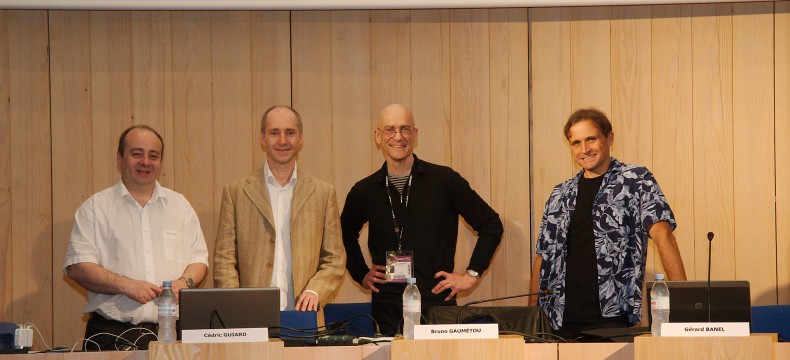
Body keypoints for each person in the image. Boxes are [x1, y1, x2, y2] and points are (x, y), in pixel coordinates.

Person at [341, 104, 504, 336]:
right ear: (378, 136)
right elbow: (342, 236)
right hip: (387, 308)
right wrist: (360, 273)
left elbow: (491, 225)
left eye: (405, 129)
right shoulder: (364, 190)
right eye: (390, 130)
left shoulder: (445, 181)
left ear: (415, 135)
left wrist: (472, 274)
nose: (398, 137)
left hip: (437, 305)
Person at [529, 108, 687, 340]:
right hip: (556, 323)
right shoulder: (559, 194)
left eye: (591, 139)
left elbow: (663, 235)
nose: (584, 150)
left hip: (611, 322)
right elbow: (542, 257)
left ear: (609, 138)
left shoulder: (635, 180)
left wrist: (684, 305)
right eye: (576, 143)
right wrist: (532, 317)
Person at [64, 125, 209, 351]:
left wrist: (184, 283)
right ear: (119, 158)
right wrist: (126, 285)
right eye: (137, 154)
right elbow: (77, 266)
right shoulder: (95, 208)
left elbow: (199, 260)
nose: (145, 162)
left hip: (174, 334)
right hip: (110, 334)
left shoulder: (180, 207)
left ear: (161, 162)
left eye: (153, 156)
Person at [213, 105, 345, 312]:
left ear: (300, 138)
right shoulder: (236, 192)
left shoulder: (323, 193)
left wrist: (316, 291)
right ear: (263, 138)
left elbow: (335, 258)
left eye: (290, 133)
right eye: (274, 133)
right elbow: (224, 259)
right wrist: (237, 304)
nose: (282, 140)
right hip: (250, 316)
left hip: (305, 317)